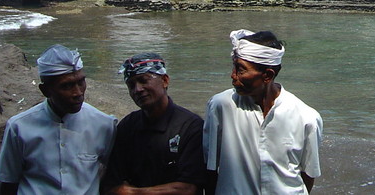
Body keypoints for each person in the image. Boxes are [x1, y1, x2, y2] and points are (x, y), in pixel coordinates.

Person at [203, 30, 322, 194]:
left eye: (241, 69)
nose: (233, 76)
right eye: (234, 66)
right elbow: (209, 169)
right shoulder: (221, 106)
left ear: (267, 75)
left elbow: (307, 176)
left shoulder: (306, 118)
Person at [0, 44, 117, 195]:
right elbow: (8, 182)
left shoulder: (103, 124)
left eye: (81, 82)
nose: (78, 92)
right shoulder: (19, 127)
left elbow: (112, 175)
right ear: (45, 90)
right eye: (67, 86)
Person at [102, 52, 206, 195]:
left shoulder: (190, 127)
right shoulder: (127, 126)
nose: (137, 89)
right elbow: (112, 186)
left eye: (143, 80)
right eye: (131, 85)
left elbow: (188, 188)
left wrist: (133, 192)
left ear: (165, 81)